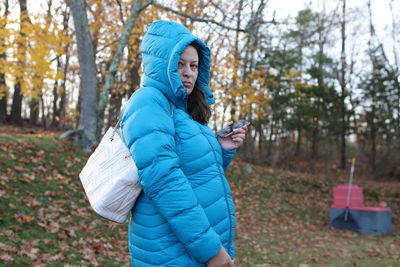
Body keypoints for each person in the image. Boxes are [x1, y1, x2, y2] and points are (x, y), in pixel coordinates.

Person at [121, 20, 248, 267]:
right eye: (179, 64)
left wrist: (221, 149)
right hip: (171, 251)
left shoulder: (186, 113)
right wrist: (211, 252)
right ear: (161, 66)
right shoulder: (148, 101)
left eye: (194, 65)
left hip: (191, 248)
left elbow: (198, 176)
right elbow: (164, 181)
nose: (188, 72)